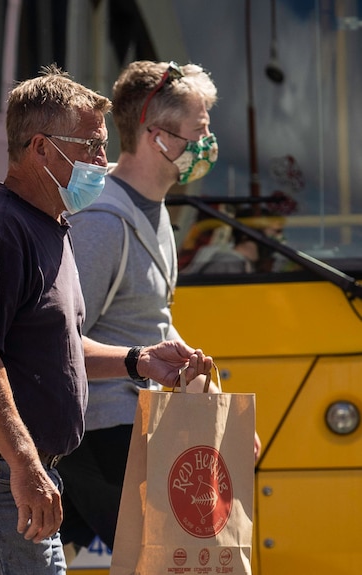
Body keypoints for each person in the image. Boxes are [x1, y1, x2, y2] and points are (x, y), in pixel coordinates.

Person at [0, 65, 214, 575]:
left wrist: (140, 361)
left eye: (103, 144)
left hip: (22, 472)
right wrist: (26, 468)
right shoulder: (2, 228)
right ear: (40, 148)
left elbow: (59, 349)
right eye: (89, 146)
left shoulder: (52, 224)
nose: (102, 160)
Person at [56, 60, 260, 556]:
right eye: (199, 131)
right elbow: (57, 339)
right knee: (170, 561)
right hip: (106, 436)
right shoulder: (104, 223)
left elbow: (151, 322)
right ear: (157, 136)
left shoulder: (154, 209)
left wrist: (219, 410)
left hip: (134, 428)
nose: (208, 144)